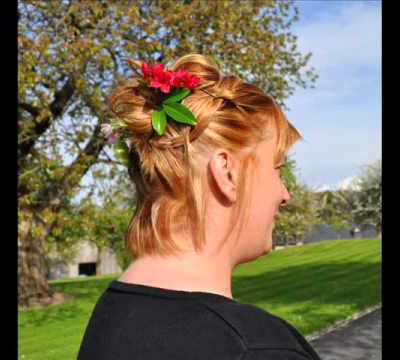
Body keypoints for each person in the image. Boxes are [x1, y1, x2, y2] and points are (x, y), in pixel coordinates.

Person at [78, 53, 321, 359]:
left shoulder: (111, 313)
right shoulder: (257, 349)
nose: (285, 194)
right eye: (277, 168)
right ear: (227, 173)